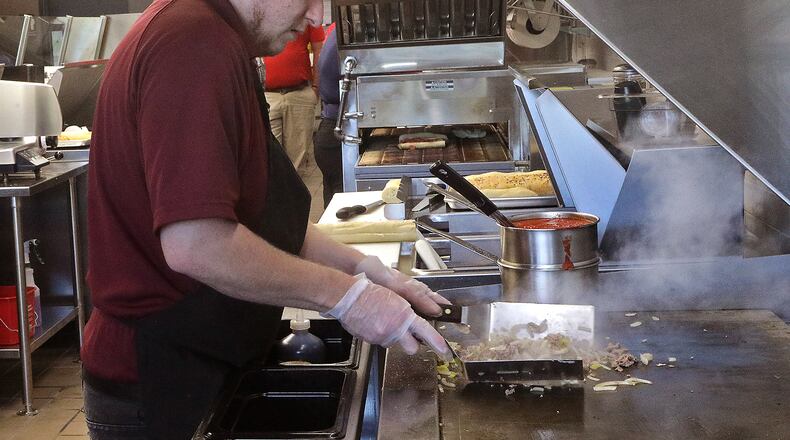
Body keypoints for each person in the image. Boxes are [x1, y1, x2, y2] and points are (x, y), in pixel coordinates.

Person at [81, 0, 451, 439]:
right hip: (163, 378)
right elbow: (197, 244)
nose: (318, 16)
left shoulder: (216, 38)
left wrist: (363, 269)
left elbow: (262, 219)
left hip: (204, 357)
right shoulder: (191, 42)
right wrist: (348, 298)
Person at [263, 23, 323, 168]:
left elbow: (319, 49)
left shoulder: (303, 8)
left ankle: (294, 190)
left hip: (299, 94)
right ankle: (275, 191)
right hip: (268, 96)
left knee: (297, 161)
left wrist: (316, 87)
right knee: (268, 157)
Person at [313, 23, 343, 207]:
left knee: (333, 202)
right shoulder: (342, 33)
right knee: (339, 205)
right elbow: (330, 87)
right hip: (335, 132)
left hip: (332, 129)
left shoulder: (337, 31)